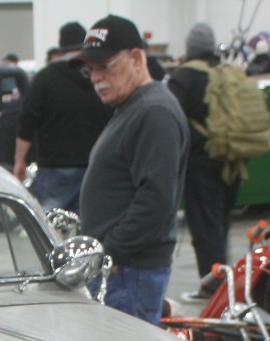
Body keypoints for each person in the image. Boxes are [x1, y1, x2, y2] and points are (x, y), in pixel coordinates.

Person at [74, 15, 188, 323]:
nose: (96, 78)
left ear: (136, 59)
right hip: (123, 271)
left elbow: (156, 201)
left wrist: (110, 253)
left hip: (128, 273)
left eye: (105, 66)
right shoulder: (133, 107)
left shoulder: (153, 112)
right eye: (90, 69)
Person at [169, 23, 239, 302]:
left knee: (205, 227)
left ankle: (212, 287)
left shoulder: (184, 77)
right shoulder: (228, 73)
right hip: (234, 159)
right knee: (221, 223)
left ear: (190, 48)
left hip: (201, 163)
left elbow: (170, 119)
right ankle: (224, 282)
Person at [14, 21, 110, 211]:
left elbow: (27, 121)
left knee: (49, 226)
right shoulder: (99, 76)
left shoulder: (45, 78)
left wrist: (19, 161)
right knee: (90, 225)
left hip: (54, 169)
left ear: (61, 48)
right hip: (96, 167)